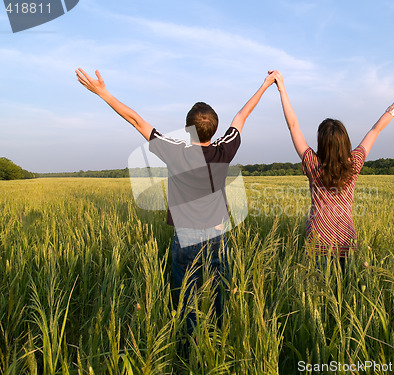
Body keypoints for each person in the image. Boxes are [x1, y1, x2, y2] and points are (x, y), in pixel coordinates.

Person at [75, 68, 278, 332]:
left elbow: (136, 120)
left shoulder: (174, 151)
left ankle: (188, 345)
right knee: (220, 293)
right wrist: (265, 84)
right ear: (215, 130)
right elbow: (242, 115)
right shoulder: (223, 149)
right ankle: (217, 337)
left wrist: (103, 93)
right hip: (217, 234)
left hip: (185, 236)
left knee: (186, 296)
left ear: (187, 129)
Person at [272, 71, 394, 270]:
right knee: (343, 293)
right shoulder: (355, 163)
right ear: (345, 141)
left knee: (319, 294)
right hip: (346, 239)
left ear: (321, 142)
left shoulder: (312, 163)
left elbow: (293, 126)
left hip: (318, 240)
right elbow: (376, 129)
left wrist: (282, 88)